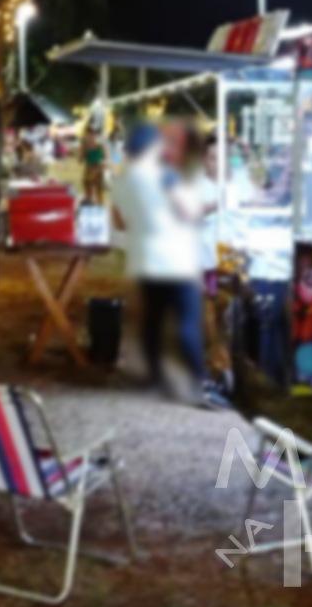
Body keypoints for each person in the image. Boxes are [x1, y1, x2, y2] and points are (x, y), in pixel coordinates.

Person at [109, 122, 214, 407]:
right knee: (187, 322)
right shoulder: (164, 176)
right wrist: (209, 205)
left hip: (143, 259)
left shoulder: (120, 182)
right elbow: (189, 210)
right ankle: (199, 384)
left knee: (152, 321)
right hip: (174, 260)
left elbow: (119, 221)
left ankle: (154, 379)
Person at [173, 129, 232, 408]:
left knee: (223, 323)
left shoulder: (236, 182)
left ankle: (222, 376)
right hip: (199, 264)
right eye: (211, 157)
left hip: (228, 264)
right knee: (203, 323)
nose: (216, 163)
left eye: (221, 158)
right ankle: (204, 381)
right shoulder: (194, 185)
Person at [80, 130, 107, 205]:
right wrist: (83, 149)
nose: (90, 138)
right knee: (87, 185)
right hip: (89, 169)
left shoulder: (100, 146)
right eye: (88, 136)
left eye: (92, 135)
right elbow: (80, 160)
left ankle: (99, 204)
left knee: (99, 189)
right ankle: (90, 201)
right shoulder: (85, 146)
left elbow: (106, 158)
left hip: (98, 169)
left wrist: (103, 166)